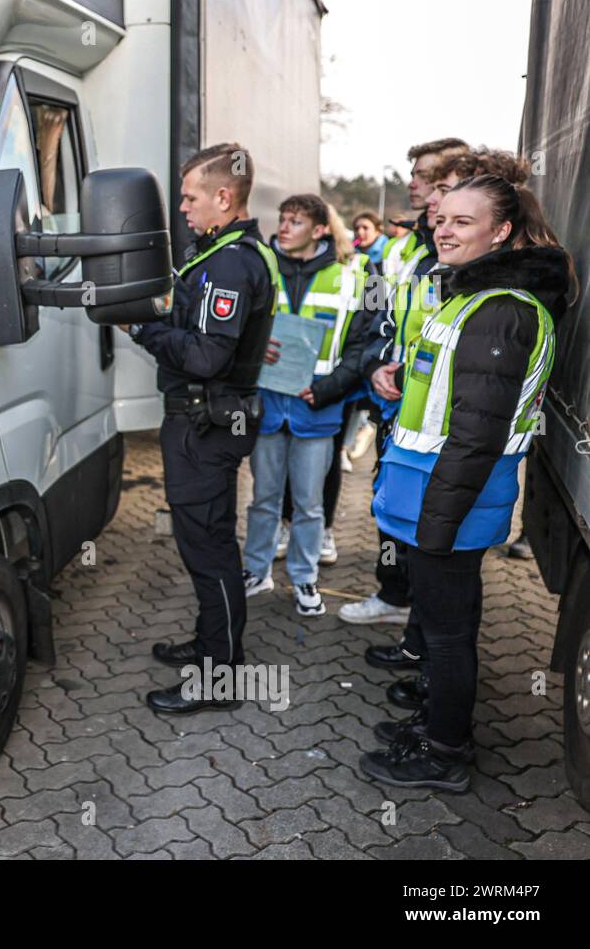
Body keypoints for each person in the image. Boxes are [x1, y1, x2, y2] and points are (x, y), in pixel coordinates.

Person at [359, 174, 574, 790]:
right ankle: (433, 724)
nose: (442, 229)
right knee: (441, 623)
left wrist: (438, 523)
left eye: (461, 221)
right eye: (441, 218)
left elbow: (478, 435)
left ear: (500, 232)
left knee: (449, 635)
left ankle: (444, 753)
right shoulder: (473, 296)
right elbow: (455, 397)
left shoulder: (503, 309)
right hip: (434, 495)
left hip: (452, 501)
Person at [128, 142, 282, 714]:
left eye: (191, 197)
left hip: (205, 425)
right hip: (208, 422)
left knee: (209, 549)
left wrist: (142, 328)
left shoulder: (230, 263)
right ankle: (211, 643)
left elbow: (205, 358)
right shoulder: (226, 253)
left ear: (224, 196)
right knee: (204, 544)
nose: (184, 209)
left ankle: (220, 678)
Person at [341, 139, 468, 647]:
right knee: (390, 512)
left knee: (423, 530)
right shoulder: (409, 249)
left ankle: (412, 624)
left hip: (434, 424)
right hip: (396, 409)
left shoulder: (461, 255)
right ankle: (398, 602)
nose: (414, 186)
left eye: (426, 179)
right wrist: (376, 366)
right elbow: (385, 321)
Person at [242, 196, 374, 617]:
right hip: (266, 404)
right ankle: (256, 571)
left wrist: (330, 389)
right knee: (263, 497)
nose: (283, 227)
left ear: (319, 230)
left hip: (317, 409)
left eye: (295, 221)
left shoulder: (354, 275)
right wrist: (253, 352)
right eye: (281, 219)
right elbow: (237, 330)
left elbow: (361, 346)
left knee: (309, 503)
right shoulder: (259, 266)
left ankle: (303, 578)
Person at [379, 138, 468, 283]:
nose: (412, 184)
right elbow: (376, 299)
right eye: (413, 175)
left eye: (424, 176)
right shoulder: (403, 244)